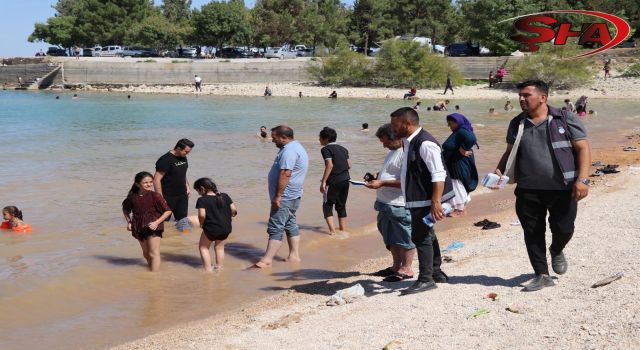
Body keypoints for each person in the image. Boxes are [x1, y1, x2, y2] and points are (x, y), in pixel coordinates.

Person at [494, 80, 591, 292]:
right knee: (532, 232)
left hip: (562, 188)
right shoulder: (517, 123)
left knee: (564, 229)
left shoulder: (565, 119)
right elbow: (510, 151)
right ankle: (542, 274)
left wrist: (582, 180)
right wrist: (499, 171)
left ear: (543, 98)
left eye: (526, 95)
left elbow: (583, 148)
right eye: (520, 95)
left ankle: (557, 249)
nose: (521, 99)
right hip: (528, 189)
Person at [390, 107, 455, 294]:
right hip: (419, 198)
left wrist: (435, 202)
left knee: (421, 236)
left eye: (396, 125)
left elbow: (439, 173)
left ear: (407, 124)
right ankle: (435, 272)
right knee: (427, 234)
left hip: (426, 200)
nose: (393, 129)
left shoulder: (425, 143)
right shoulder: (409, 141)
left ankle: (426, 279)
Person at [365, 124, 416, 282]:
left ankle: (407, 268)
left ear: (398, 138)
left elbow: (408, 181)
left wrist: (382, 183)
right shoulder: (392, 151)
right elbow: (391, 172)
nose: (383, 145)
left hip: (399, 203)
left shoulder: (406, 153)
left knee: (404, 236)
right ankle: (396, 266)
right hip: (384, 202)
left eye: (386, 141)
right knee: (389, 236)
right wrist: (377, 177)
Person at [253, 125, 309, 268]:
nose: (272, 140)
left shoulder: (289, 151)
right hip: (293, 195)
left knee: (275, 227)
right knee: (290, 224)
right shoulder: (296, 147)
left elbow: (285, 173)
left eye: (275, 138)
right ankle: (294, 256)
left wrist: (278, 196)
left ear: (284, 137)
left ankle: (267, 260)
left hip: (286, 196)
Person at [122, 171, 173, 272]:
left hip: (154, 226)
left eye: (151, 181)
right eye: (145, 182)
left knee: (154, 253)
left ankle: (154, 277)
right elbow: (125, 210)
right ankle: (152, 269)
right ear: (137, 184)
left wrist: (156, 222)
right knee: (146, 253)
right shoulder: (132, 197)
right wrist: (129, 222)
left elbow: (168, 211)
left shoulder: (156, 196)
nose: (149, 184)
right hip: (139, 226)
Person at [193, 177, 238, 272]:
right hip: (226, 228)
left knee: (203, 247)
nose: (198, 193)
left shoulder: (202, 200)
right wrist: (231, 217)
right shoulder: (225, 196)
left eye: (197, 191)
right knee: (220, 248)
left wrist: (201, 223)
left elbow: (202, 214)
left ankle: (208, 270)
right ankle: (219, 268)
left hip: (211, 228)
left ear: (202, 188)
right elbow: (234, 209)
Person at [442, 113, 479, 216]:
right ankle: (462, 208)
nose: (449, 126)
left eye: (450, 124)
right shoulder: (461, 131)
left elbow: (471, 138)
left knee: (456, 182)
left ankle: (459, 210)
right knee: (461, 182)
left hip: (457, 161)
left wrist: (462, 149)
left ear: (457, 122)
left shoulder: (462, 131)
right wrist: (461, 148)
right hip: (458, 160)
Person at [319, 127, 351, 235]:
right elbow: (349, 165)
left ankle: (333, 233)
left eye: (320, 138)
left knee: (327, 205)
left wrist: (323, 181)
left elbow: (330, 165)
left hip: (333, 181)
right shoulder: (344, 149)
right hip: (346, 179)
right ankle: (343, 230)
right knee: (341, 206)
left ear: (326, 139)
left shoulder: (325, 149)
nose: (319, 140)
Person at [154, 139, 194, 222]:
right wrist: (160, 198)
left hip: (182, 195)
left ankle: (183, 235)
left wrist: (187, 187)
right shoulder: (165, 160)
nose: (187, 154)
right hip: (168, 196)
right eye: (186, 152)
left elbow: (182, 173)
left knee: (182, 221)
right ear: (178, 148)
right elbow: (156, 180)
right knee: (164, 222)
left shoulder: (183, 157)